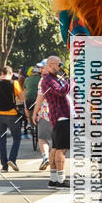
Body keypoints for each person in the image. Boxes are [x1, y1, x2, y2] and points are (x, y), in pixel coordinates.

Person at [33, 55, 69, 188]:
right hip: (59, 116)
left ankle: (54, 179)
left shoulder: (54, 78)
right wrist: (71, 81)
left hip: (60, 116)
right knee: (61, 148)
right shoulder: (47, 79)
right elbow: (61, 92)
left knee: (56, 147)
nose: (61, 66)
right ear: (50, 65)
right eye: (59, 64)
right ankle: (60, 179)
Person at [0, 65, 24, 171]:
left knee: (2, 140)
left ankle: (4, 165)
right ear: (11, 74)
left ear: (1, 73)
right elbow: (22, 98)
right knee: (17, 138)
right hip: (12, 114)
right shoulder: (15, 83)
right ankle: (12, 159)